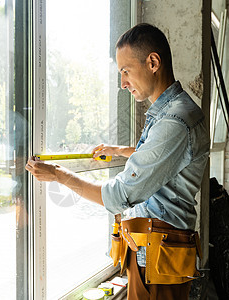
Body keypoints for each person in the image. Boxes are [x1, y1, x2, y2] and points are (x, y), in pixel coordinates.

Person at [26, 23, 209, 300]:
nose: (122, 83)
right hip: (155, 251)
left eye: (125, 71)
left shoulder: (175, 120)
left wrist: (60, 176)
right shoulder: (172, 112)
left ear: (152, 62)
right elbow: (161, 157)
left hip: (159, 258)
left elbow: (122, 195)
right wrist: (120, 150)